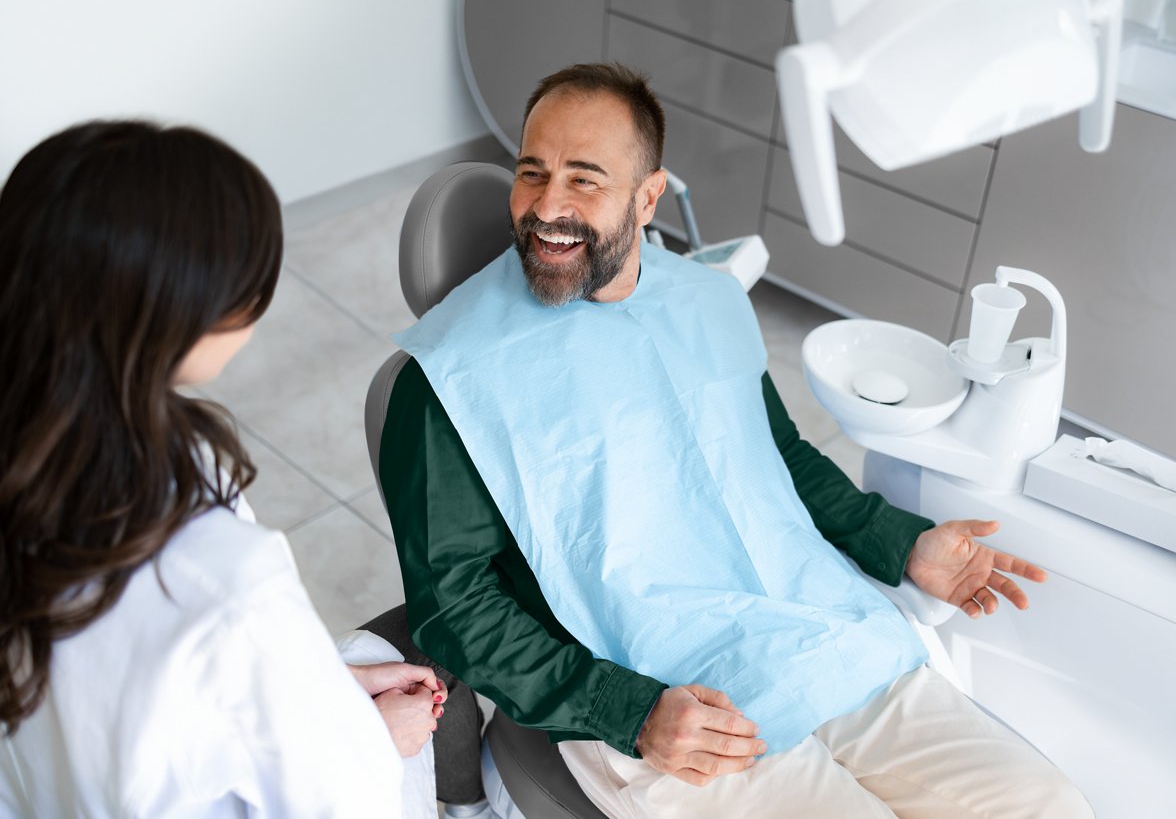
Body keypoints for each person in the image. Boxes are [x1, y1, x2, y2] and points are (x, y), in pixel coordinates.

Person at [382, 64, 1092, 817]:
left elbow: (775, 456)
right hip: (663, 697)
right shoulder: (453, 377)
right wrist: (628, 711)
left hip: (813, 631)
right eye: (532, 172)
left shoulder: (706, 301)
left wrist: (902, 543)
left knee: (1048, 804)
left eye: (584, 179)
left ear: (647, 197)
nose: (547, 206)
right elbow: (453, 605)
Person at [0, 120, 447, 817]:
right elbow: (337, 800)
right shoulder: (222, 577)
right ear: (178, 318)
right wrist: (374, 739)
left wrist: (319, 688)